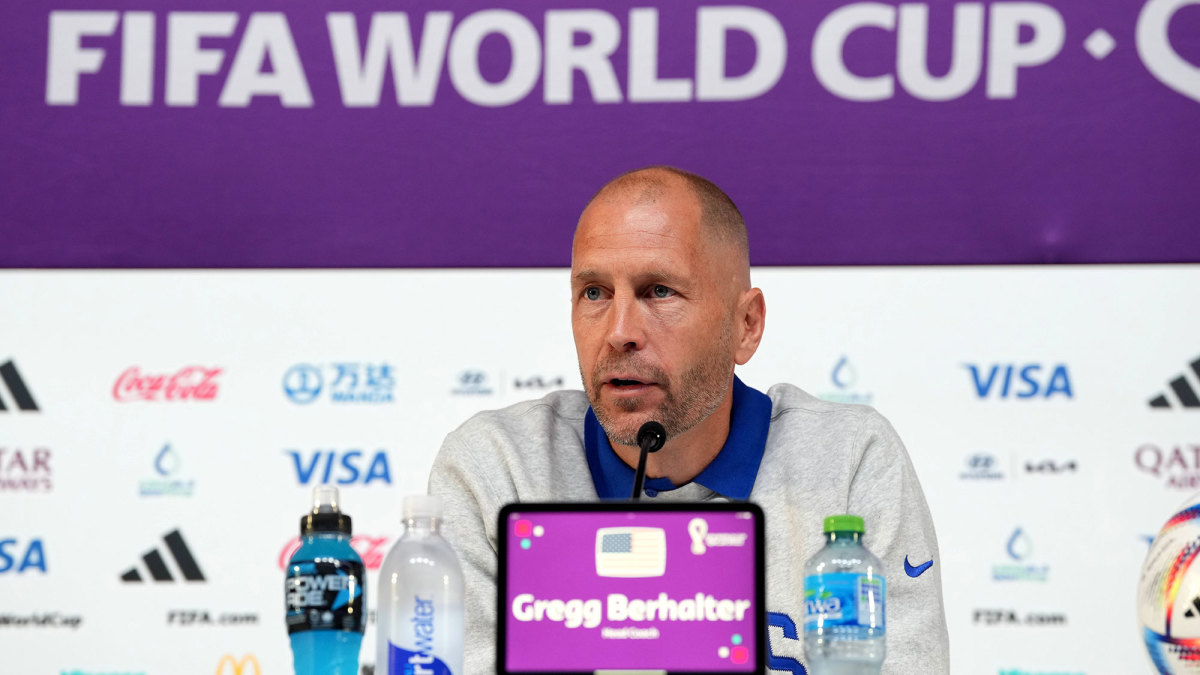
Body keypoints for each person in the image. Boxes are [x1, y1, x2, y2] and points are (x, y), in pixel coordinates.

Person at [428, 166, 949, 674]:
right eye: (595, 293)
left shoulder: (849, 462)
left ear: (745, 326)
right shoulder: (496, 468)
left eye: (659, 292)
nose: (620, 332)